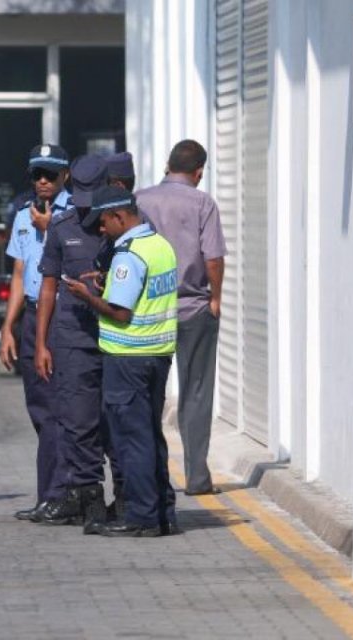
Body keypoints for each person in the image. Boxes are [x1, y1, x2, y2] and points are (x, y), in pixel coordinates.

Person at [66, 186, 179, 537]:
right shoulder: (160, 246)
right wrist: (107, 285)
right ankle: (163, 513)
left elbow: (120, 312)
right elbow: (142, 297)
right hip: (157, 356)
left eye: (103, 222)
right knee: (151, 436)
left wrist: (87, 296)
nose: (101, 230)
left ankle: (141, 517)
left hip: (128, 359)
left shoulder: (128, 255)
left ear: (119, 217)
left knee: (133, 441)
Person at [135, 140, 226, 496]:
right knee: (196, 392)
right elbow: (213, 258)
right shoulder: (203, 203)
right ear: (199, 172)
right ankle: (197, 478)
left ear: (166, 164)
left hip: (149, 312)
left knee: (147, 393)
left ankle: (148, 477)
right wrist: (215, 297)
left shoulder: (140, 200)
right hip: (192, 308)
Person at [33, 154, 110, 530]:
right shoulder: (62, 227)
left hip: (117, 340)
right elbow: (48, 286)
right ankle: (86, 495)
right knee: (77, 422)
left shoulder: (124, 224)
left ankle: (126, 497)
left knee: (114, 422)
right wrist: (42, 343)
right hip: (73, 339)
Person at [0, 143, 71, 522]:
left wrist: (53, 228)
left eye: (51, 174)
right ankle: (51, 494)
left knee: (59, 409)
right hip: (30, 315)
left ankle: (60, 494)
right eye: (37, 175)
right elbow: (19, 272)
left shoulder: (76, 213)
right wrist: (8, 327)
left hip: (61, 316)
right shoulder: (24, 215)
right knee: (39, 407)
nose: (43, 181)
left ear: (65, 176)